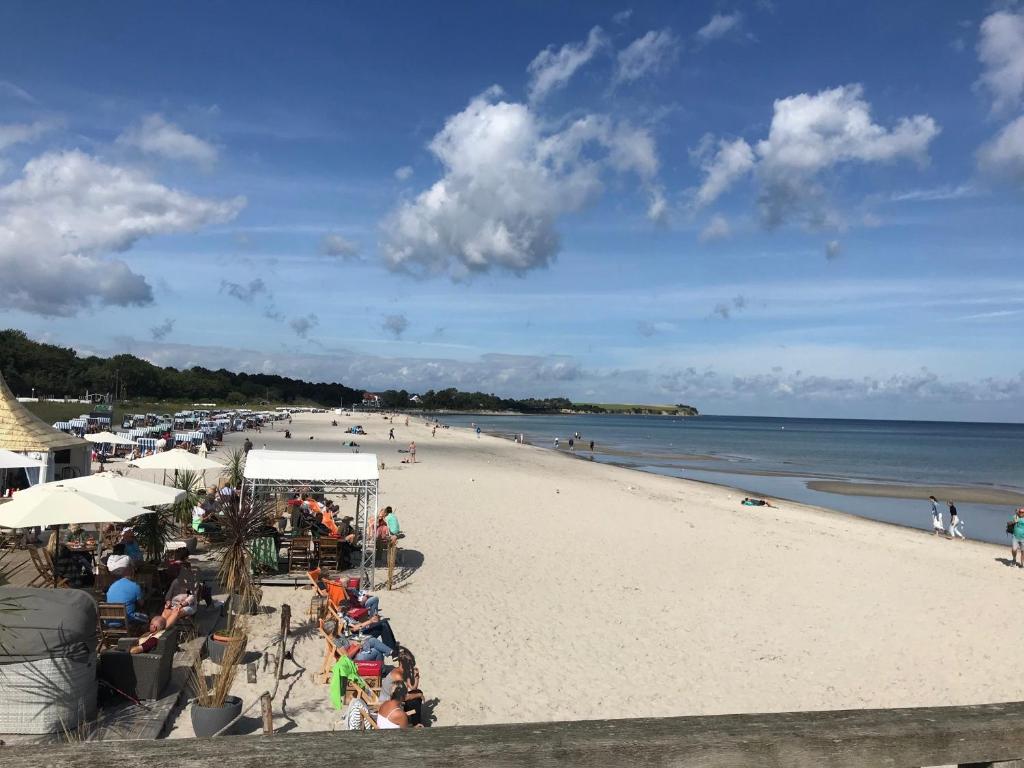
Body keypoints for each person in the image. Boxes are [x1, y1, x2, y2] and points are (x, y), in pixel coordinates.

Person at [105, 557, 148, 627]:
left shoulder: (112, 586)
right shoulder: (135, 586)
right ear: (132, 572)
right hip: (126, 620)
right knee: (146, 617)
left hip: (110, 621)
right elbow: (142, 604)